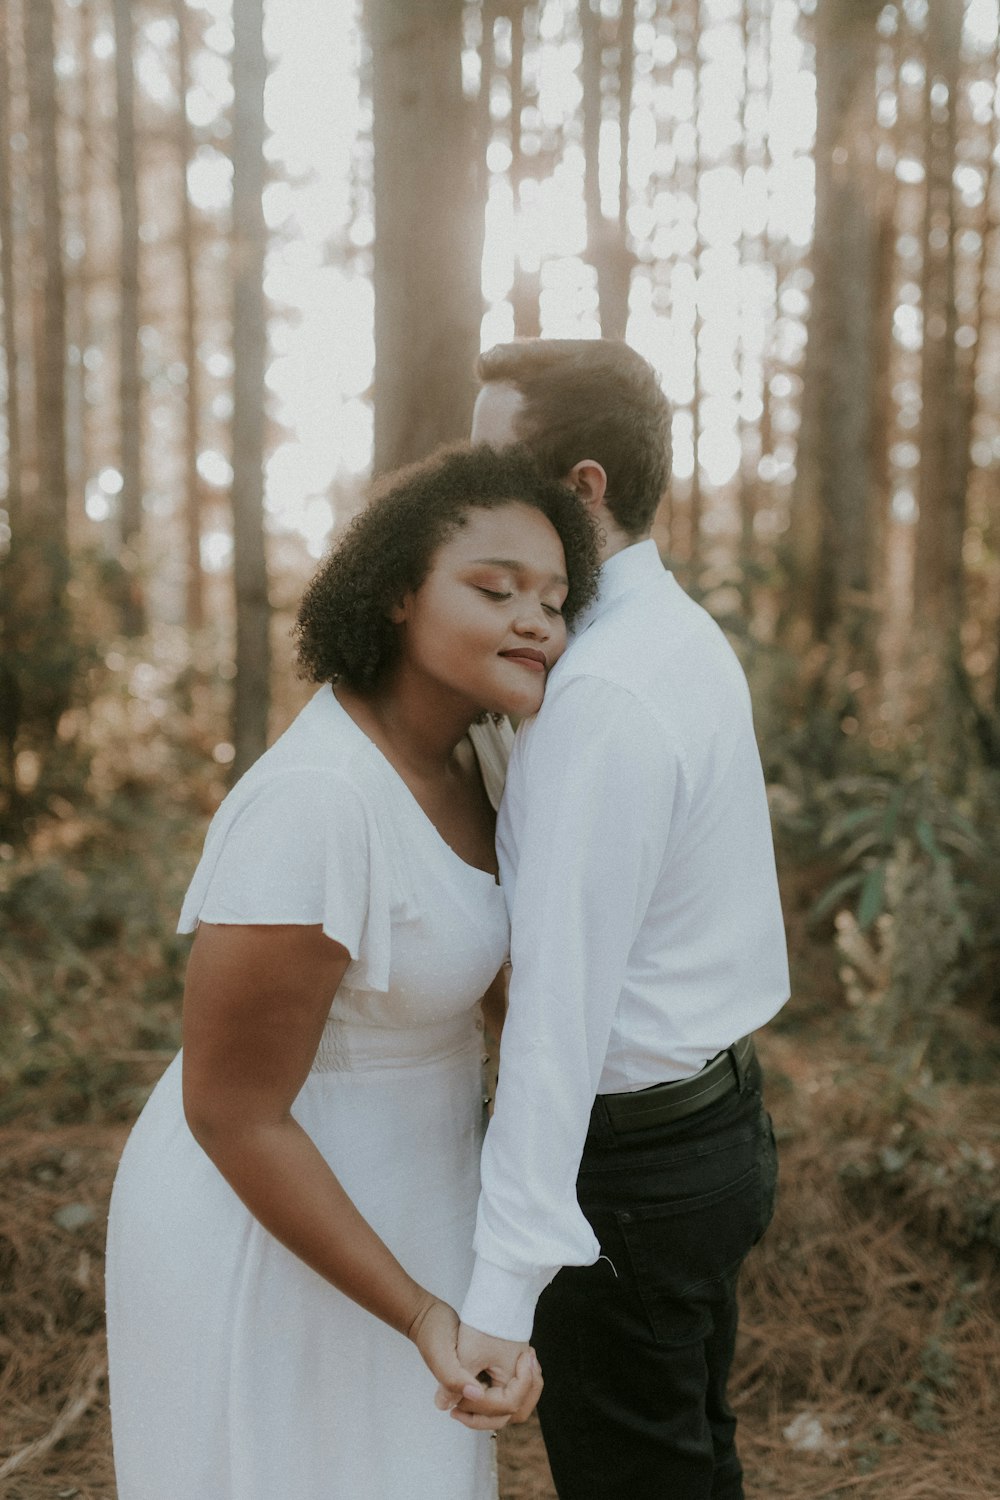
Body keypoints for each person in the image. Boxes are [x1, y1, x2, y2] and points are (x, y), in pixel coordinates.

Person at [105, 442, 601, 1500]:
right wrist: (420, 1310)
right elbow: (231, 1111)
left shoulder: (481, 754)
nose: (536, 623)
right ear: (391, 596)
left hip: (419, 1202)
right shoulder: (318, 802)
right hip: (269, 1227)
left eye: (555, 601)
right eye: (495, 588)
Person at [444, 341, 790, 1499]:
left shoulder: (600, 696)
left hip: (630, 1173)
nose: (469, 502)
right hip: (716, 1127)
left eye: (496, 471)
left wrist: (500, 1295)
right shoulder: (669, 637)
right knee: (691, 1461)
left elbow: (556, 1016)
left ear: (581, 489)